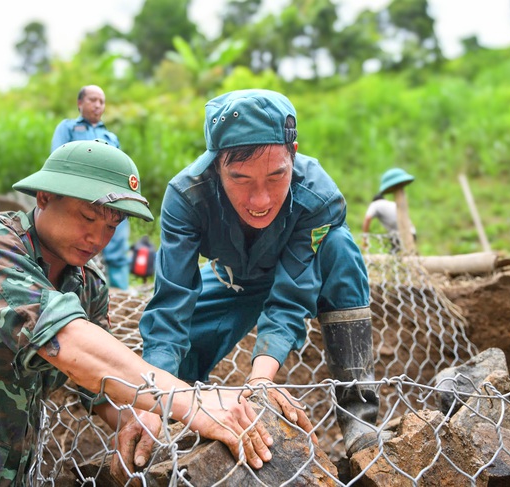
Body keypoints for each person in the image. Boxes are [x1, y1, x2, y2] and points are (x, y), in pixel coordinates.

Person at [0, 140, 273, 486]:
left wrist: (136, 421)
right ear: (44, 198)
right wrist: (194, 402)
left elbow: (98, 385)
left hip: (8, 471)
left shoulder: (88, 285)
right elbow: (70, 345)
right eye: (88, 217)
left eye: (111, 226)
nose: (97, 237)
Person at [121, 89, 379, 463]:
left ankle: (360, 418)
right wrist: (154, 398)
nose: (260, 200)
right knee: (179, 365)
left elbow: (291, 296)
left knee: (340, 248)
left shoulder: (319, 197)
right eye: (240, 179)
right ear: (215, 166)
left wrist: (260, 381)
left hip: (300, 274)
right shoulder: (186, 196)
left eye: (277, 176)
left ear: (293, 154)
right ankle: (185, 425)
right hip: (232, 280)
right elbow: (172, 301)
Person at [51, 85, 131, 290]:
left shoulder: (111, 137)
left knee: (118, 242)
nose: (97, 105)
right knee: (77, 244)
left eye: (101, 101)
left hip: (111, 198)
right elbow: (58, 158)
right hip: (79, 197)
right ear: (80, 103)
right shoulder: (68, 128)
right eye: (92, 100)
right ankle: (73, 288)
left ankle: (120, 292)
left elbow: (121, 170)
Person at [361, 169, 416, 253]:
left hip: (399, 235)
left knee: (394, 260)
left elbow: (367, 219)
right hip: (411, 233)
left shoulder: (375, 204)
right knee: (406, 257)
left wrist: (364, 240)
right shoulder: (391, 203)